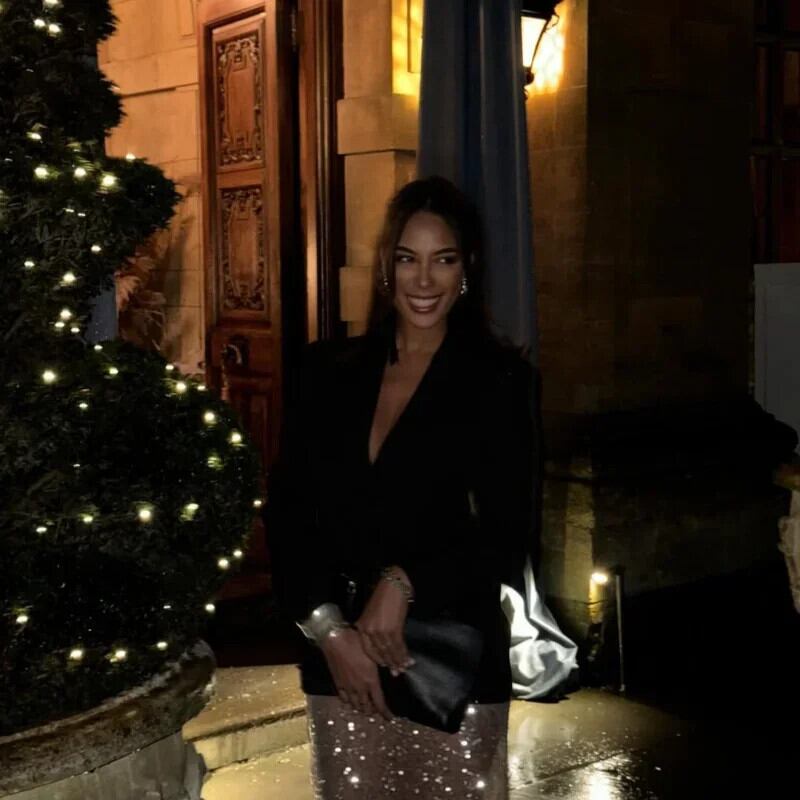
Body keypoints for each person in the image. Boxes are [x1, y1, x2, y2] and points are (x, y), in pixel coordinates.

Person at [266, 176, 536, 799]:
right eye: (408, 258)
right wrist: (328, 629)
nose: (424, 280)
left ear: (466, 270)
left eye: (444, 260)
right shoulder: (324, 370)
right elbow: (288, 513)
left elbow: (509, 533)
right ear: (387, 267)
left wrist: (404, 581)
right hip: (341, 661)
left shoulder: (499, 380)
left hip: (447, 667)